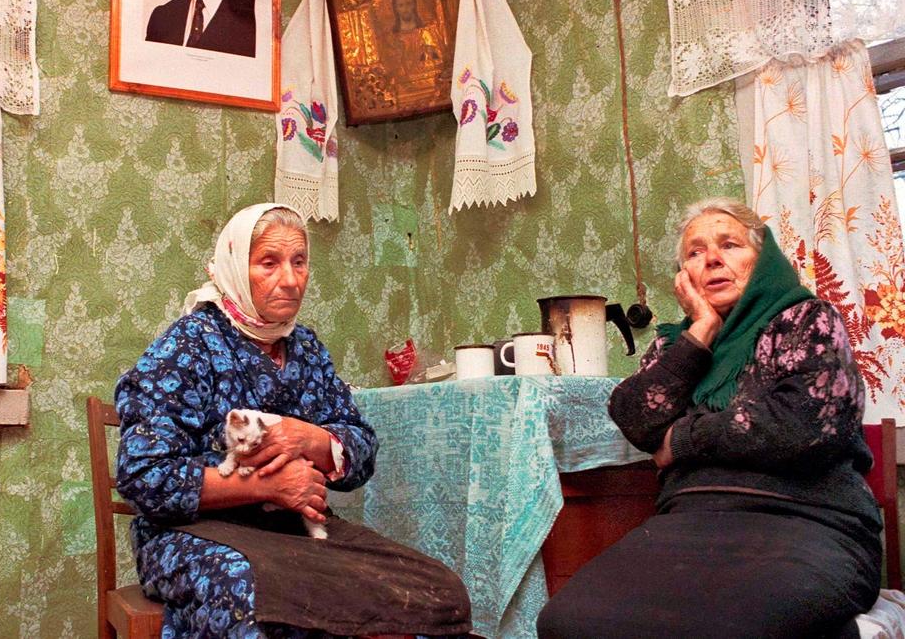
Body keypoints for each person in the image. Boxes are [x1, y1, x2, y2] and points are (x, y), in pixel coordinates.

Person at [115, 203, 472, 638]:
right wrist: (268, 486)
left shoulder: (305, 349)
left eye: (298, 262)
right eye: (269, 262)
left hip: (295, 534)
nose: (289, 279)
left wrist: (312, 438)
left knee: (440, 594)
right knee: (256, 596)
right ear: (233, 267)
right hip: (192, 535)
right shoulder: (189, 345)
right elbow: (143, 476)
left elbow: (360, 448)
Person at [537, 197, 883, 639]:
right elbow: (634, 416)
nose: (713, 259)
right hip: (689, 523)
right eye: (695, 252)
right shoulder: (675, 346)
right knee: (567, 623)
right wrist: (699, 333)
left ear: (764, 261)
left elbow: (802, 426)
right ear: (685, 279)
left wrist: (681, 439)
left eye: (730, 245)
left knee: (726, 628)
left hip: (811, 521)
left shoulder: (805, 320)